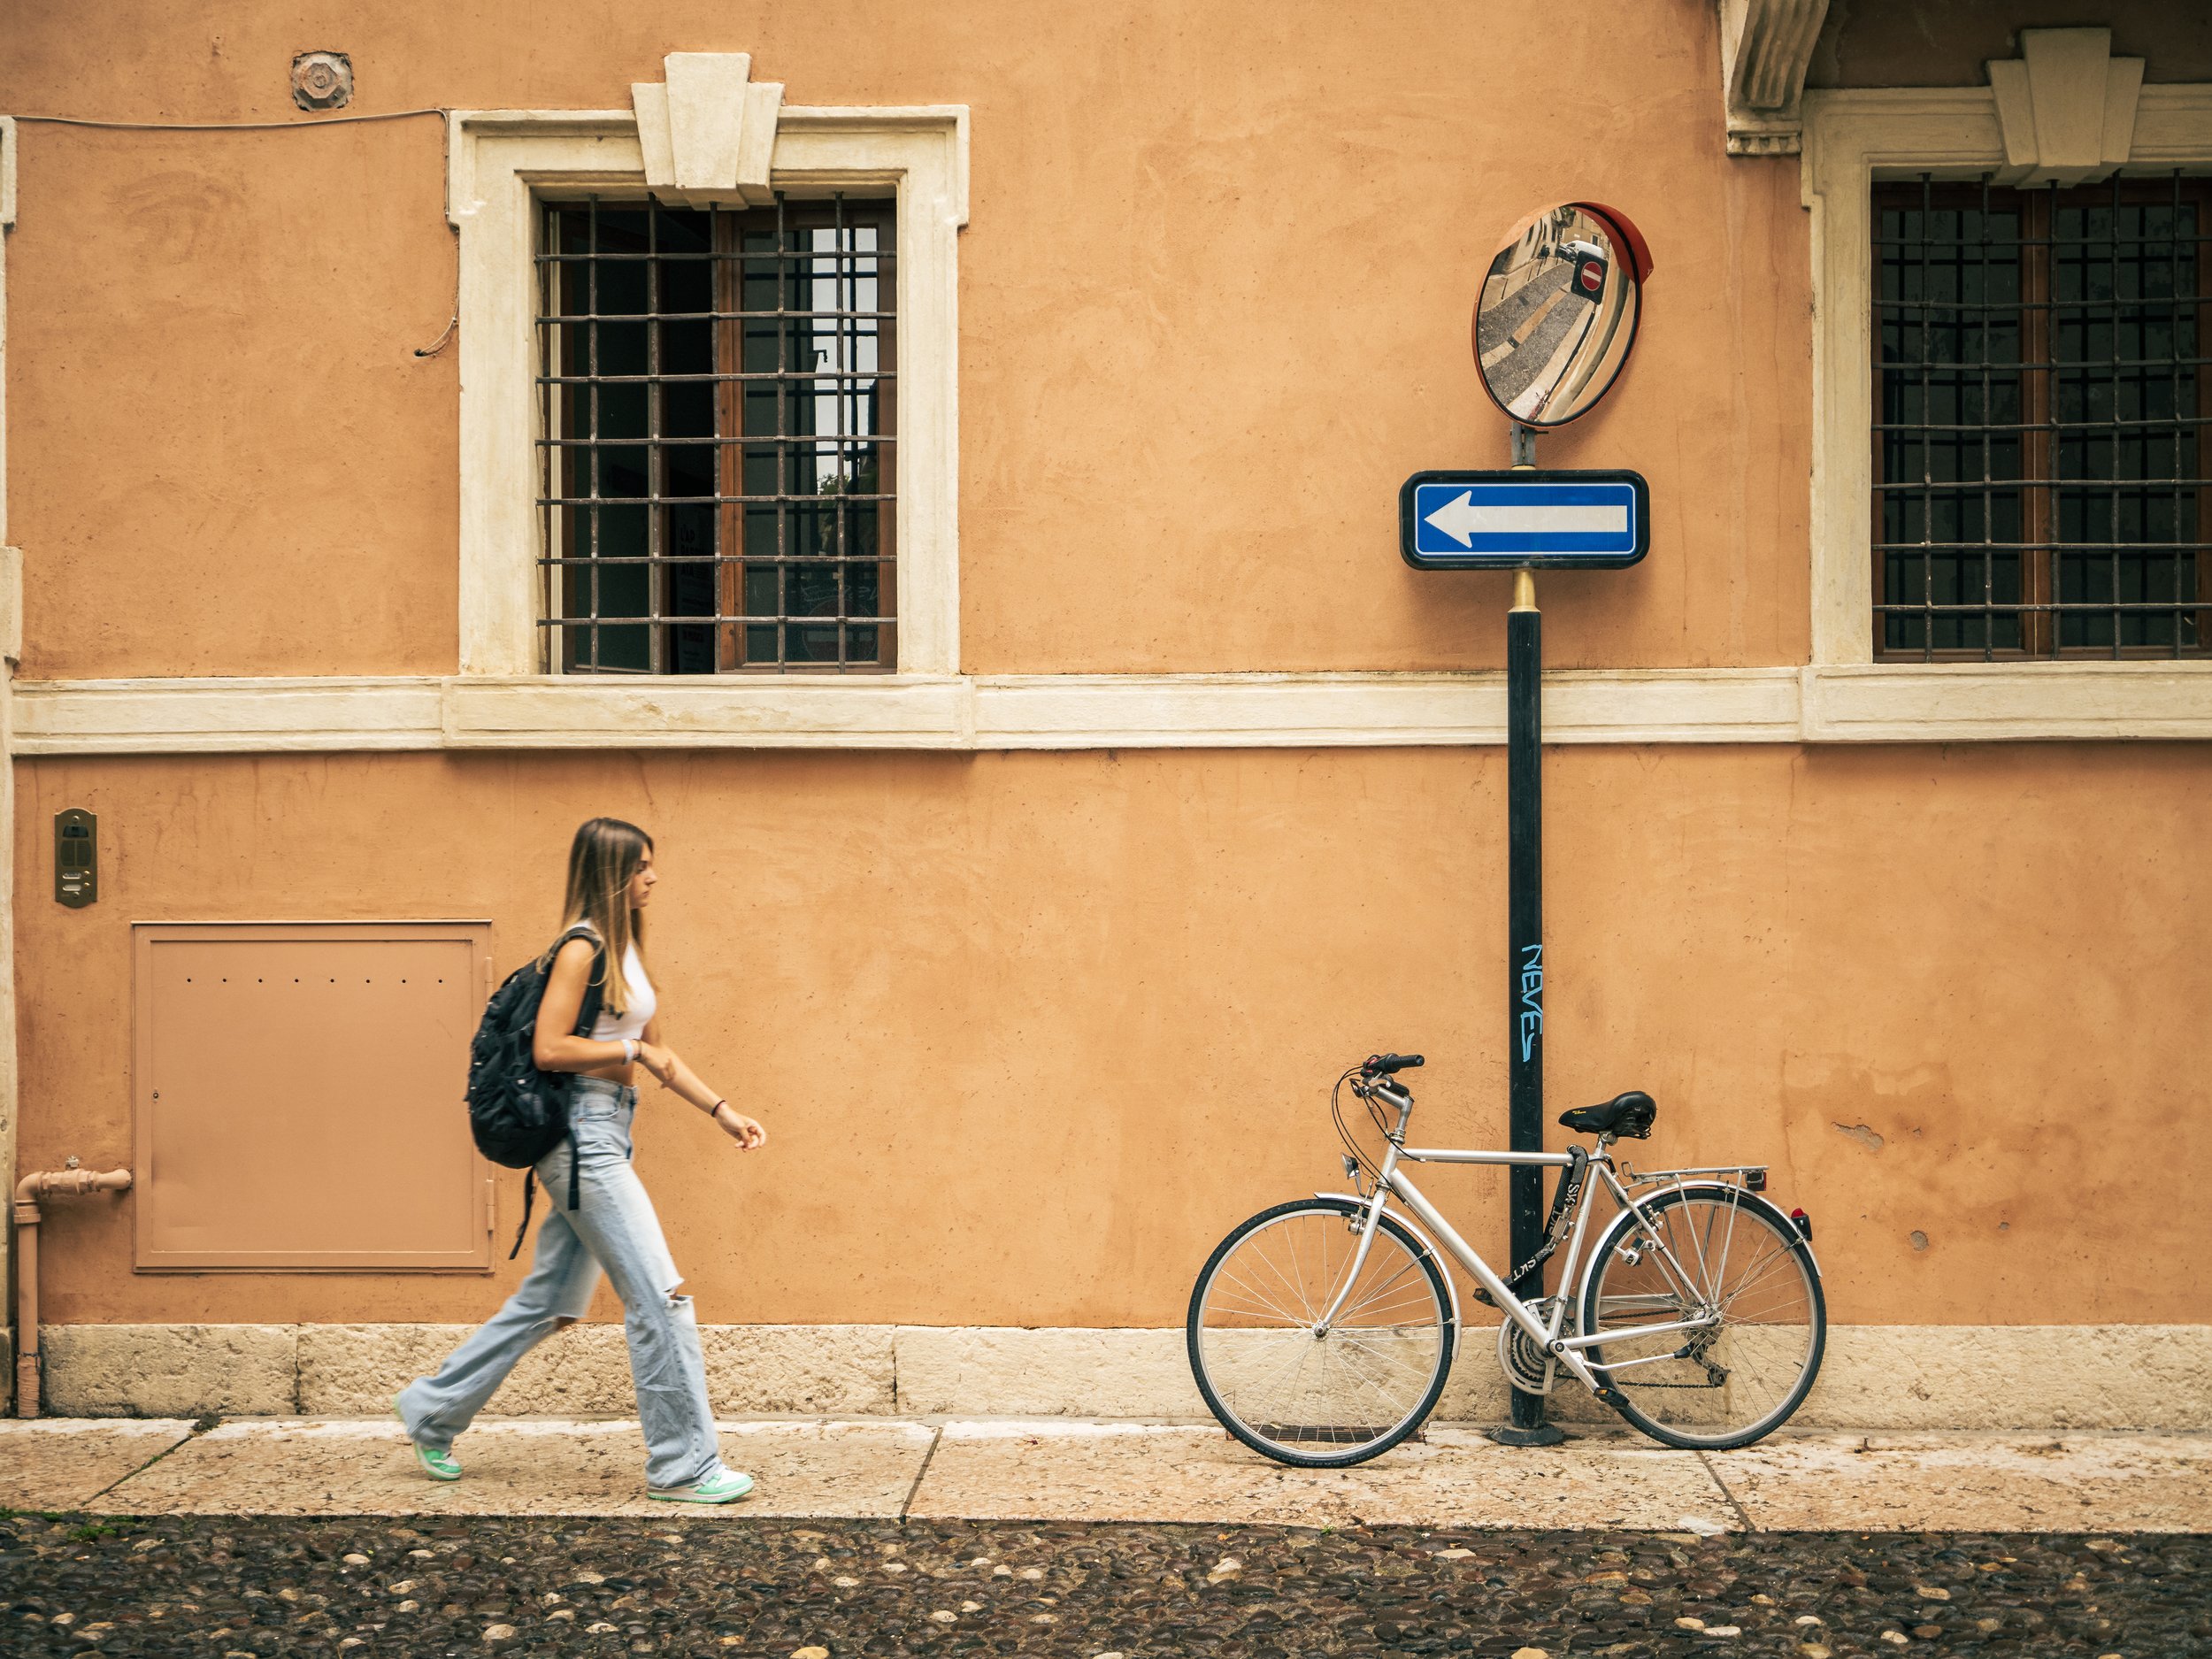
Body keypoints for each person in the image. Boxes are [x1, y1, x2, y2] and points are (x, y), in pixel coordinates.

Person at [396, 817, 768, 1502]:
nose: (652, 877)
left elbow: (663, 1054)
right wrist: (630, 1053)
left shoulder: (627, 952)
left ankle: (431, 1409)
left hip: (610, 1131)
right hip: (581, 1140)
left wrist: (723, 1111)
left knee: (552, 1301)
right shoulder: (580, 947)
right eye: (641, 866)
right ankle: (683, 1467)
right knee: (660, 1298)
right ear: (609, 872)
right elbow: (550, 1048)